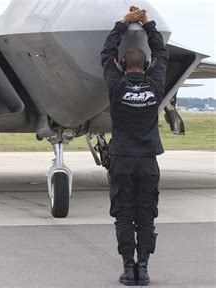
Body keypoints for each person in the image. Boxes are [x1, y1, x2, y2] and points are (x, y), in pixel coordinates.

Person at [101, 6, 168, 286]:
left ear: (121, 66)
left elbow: (106, 54)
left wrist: (121, 23)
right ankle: (144, 267)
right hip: (148, 161)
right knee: (145, 216)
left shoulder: (116, 86)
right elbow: (162, 54)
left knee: (125, 215)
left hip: (122, 161)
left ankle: (129, 269)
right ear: (147, 66)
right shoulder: (155, 86)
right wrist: (148, 24)